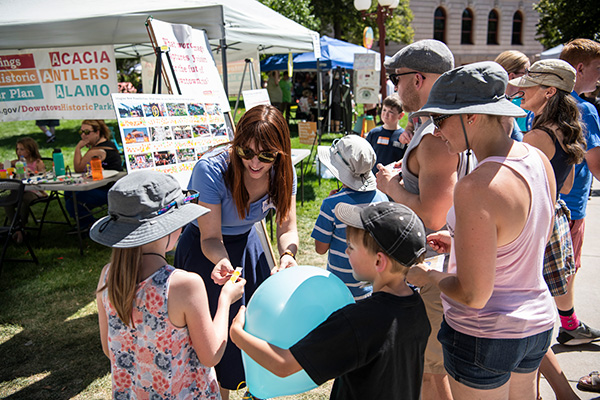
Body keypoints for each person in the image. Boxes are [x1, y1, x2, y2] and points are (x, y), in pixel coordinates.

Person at [406, 61, 557, 399]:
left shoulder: (476, 186)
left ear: (471, 116)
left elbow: (473, 295)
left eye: (440, 118)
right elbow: (532, 238)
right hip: (536, 327)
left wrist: (427, 277)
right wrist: (463, 243)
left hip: (484, 334)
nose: (435, 130)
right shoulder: (537, 159)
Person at [230, 201, 431, 400]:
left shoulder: (358, 321)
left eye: (351, 247)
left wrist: (237, 334)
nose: (346, 252)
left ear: (378, 261)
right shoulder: (417, 306)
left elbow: (283, 364)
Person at [174, 104, 299, 399]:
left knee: (253, 326)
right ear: (237, 144)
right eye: (246, 153)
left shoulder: (284, 171)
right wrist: (223, 263)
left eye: (266, 156)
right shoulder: (210, 171)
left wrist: (288, 256)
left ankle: (252, 386)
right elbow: (210, 237)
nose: (255, 163)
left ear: (280, 153)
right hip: (206, 251)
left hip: (247, 244)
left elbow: (287, 227)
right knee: (215, 337)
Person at [91, 171, 245, 399]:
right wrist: (225, 300)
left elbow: (109, 348)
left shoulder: (108, 275)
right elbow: (211, 355)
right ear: (166, 227)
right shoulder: (183, 284)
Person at [377, 38, 458, 400]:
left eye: (398, 78)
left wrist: (392, 186)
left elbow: (435, 214)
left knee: (429, 373)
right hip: (430, 267)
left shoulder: (434, 136)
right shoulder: (435, 128)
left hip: (431, 267)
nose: (395, 86)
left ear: (420, 79)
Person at [510, 58, 586, 400]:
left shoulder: (537, 135)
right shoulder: (566, 130)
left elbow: (522, 187)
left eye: (529, 84)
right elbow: (566, 183)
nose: (521, 89)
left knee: (526, 322)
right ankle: (560, 394)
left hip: (533, 225)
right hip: (554, 219)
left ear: (549, 91)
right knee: (534, 318)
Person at [555, 38, 600, 346]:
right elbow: (597, 164)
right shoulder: (585, 110)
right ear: (580, 67)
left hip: (549, 201)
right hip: (571, 208)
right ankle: (567, 324)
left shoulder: (548, 102)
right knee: (566, 268)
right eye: (598, 69)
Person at [312, 135, 388, 300]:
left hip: (339, 289)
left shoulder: (331, 204)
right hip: (371, 287)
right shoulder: (382, 199)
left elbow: (320, 248)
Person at [65, 119, 123, 231]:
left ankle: (89, 226)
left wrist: (78, 148)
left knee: (73, 200)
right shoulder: (108, 144)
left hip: (108, 190)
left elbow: (78, 169)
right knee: (69, 191)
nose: (83, 135)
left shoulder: (97, 150)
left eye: (87, 132)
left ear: (97, 132)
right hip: (110, 186)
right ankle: (83, 222)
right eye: (81, 132)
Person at [3, 137, 46, 243]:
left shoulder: (37, 162)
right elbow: (5, 166)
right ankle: (17, 229)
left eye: (22, 149)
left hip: (34, 191)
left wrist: (33, 173)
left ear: (30, 149)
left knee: (23, 202)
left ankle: (21, 228)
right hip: (19, 190)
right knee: (7, 202)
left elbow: (44, 178)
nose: (19, 152)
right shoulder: (16, 163)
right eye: (17, 149)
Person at [494, 50, 532, 141]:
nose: (529, 79)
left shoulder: (495, 103)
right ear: (511, 77)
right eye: (526, 73)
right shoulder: (504, 111)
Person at [365, 94, 406, 173]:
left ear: (400, 115)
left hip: (393, 178)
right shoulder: (374, 133)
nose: (386, 114)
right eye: (384, 110)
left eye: (391, 112)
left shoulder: (404, 136)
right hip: (374, 178)